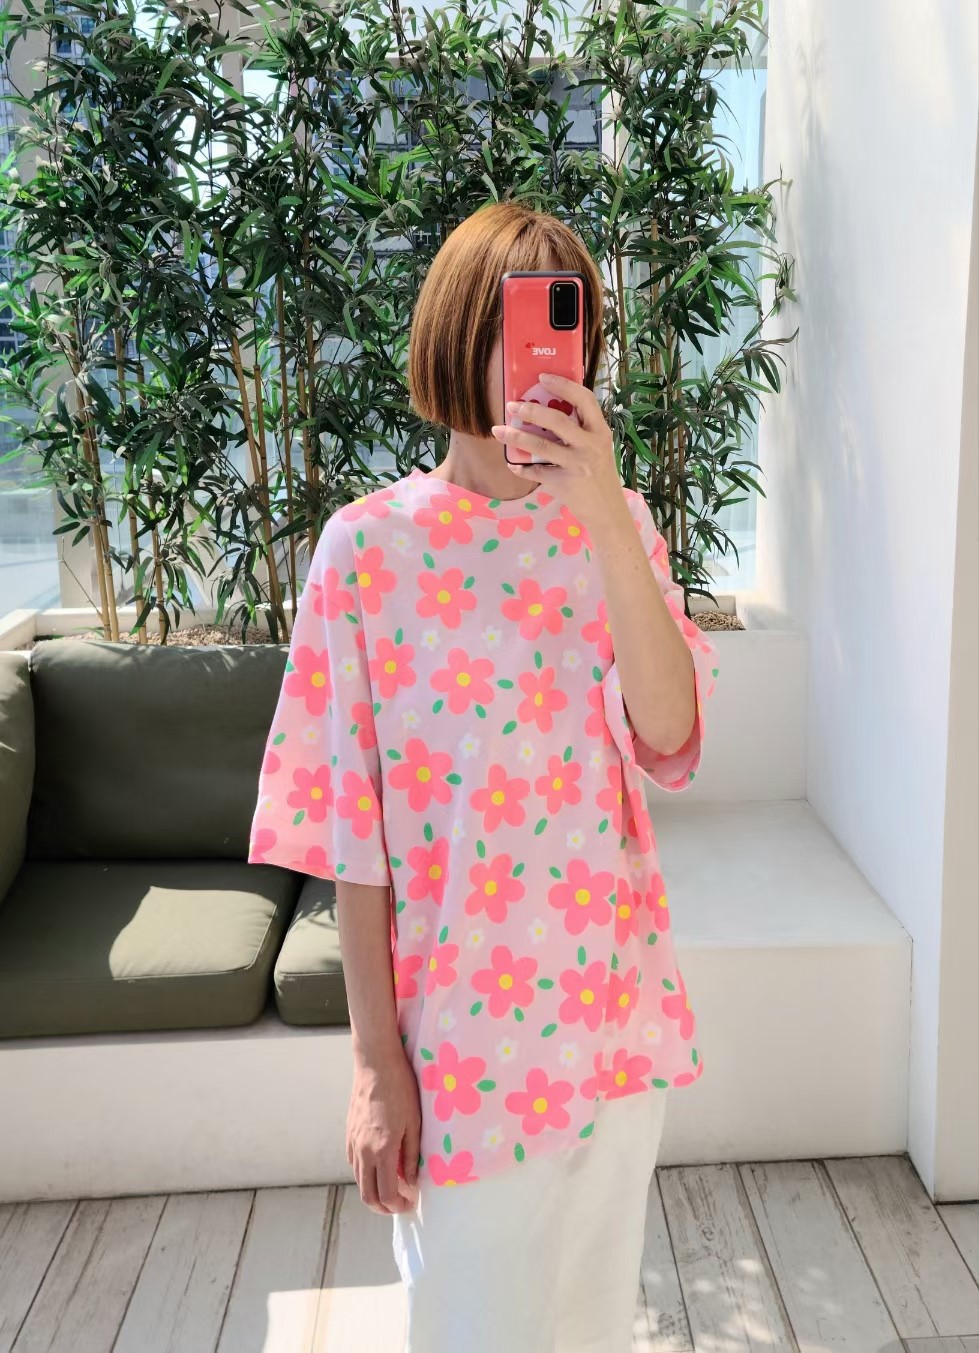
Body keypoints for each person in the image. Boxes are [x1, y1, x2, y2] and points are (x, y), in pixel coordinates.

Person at [247, 200, 719, 1352]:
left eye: (569, 327)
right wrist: (375, 1068)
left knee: (590, 1325)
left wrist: (605, 516)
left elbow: (668, 732)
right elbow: (350, 834)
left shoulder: (618, 528)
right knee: (472, 1328)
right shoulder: (367, 549)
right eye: (521, 324)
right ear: (459, 334)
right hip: (459, 1044)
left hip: (610, 1021)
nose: (549, 358)